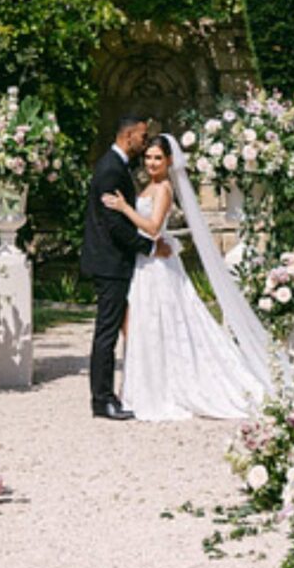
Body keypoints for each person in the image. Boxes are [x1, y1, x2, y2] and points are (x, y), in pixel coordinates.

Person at [105, 132, 269, 421]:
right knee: (144, 323)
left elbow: (154, 228)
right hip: (146, 261)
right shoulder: (149, 186)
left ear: (169, 161)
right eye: (148, 157)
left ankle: (162, 390)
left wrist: (125, 208)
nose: (152, 163)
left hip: (156, 266)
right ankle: (143, 388)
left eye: (158, 158)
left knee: (161, 322)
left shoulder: (164, 188)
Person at [81, 114, 156, 421]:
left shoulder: (116, 165)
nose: (145, 141)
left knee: (111, 329)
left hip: (112, 261)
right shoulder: (111, 170)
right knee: (107, 332)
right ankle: (102, 399)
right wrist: (148, 246)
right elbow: (114, 225)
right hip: (110, 262)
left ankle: (108, 395)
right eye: (142, 136)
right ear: (128, 135)